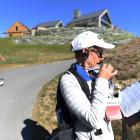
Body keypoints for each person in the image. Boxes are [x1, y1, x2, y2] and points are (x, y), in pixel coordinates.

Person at [58, 31, 117, 140]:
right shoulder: (68, 80)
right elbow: (93, 120)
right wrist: (102, 80)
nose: (102, 58)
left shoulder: (95, 74)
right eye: (99, 53)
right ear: (85, 52)